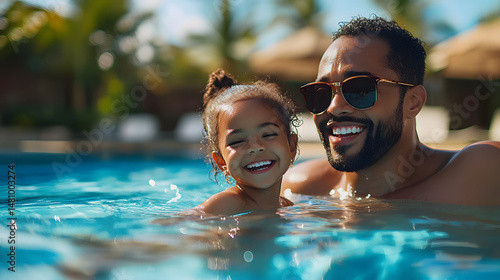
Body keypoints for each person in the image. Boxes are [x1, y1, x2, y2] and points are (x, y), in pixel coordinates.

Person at [282, 16, 500, 206]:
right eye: (320, 92)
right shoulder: (299, 189)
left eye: (359, 89)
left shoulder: (479, 172)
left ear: (413, 102)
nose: (334, 107)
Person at [196, 68, 299, 215]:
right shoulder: (227, 204)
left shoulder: (286, 205)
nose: (255, 147)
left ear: (291, 146)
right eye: (237, 141)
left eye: (268, 134)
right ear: (222, 163)